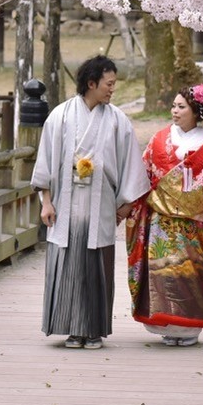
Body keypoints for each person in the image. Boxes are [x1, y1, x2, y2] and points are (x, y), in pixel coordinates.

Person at [32, 55, 148, 350]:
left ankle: (93, 330)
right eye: (108, 84)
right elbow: (45, 162)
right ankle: (71, 328)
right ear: (91, 83)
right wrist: (46, 202)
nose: (112, 89)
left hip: (101, 205)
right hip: (65, 204)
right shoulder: (59, 116)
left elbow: (131, 165)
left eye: (114, 84)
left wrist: (125, 204)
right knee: (68, 264)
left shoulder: (117, 120)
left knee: (96, 267)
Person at [126, 83, 203, 346]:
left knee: (190, 275)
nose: (174, 111)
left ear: (196, 111)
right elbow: (143, 176)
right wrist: (128, 203)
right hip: (161, 222)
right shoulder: (159, 140)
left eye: (181, 107)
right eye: (174, 106)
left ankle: (189, 328)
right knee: (162, 273)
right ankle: (166, 324)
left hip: (194, 224)